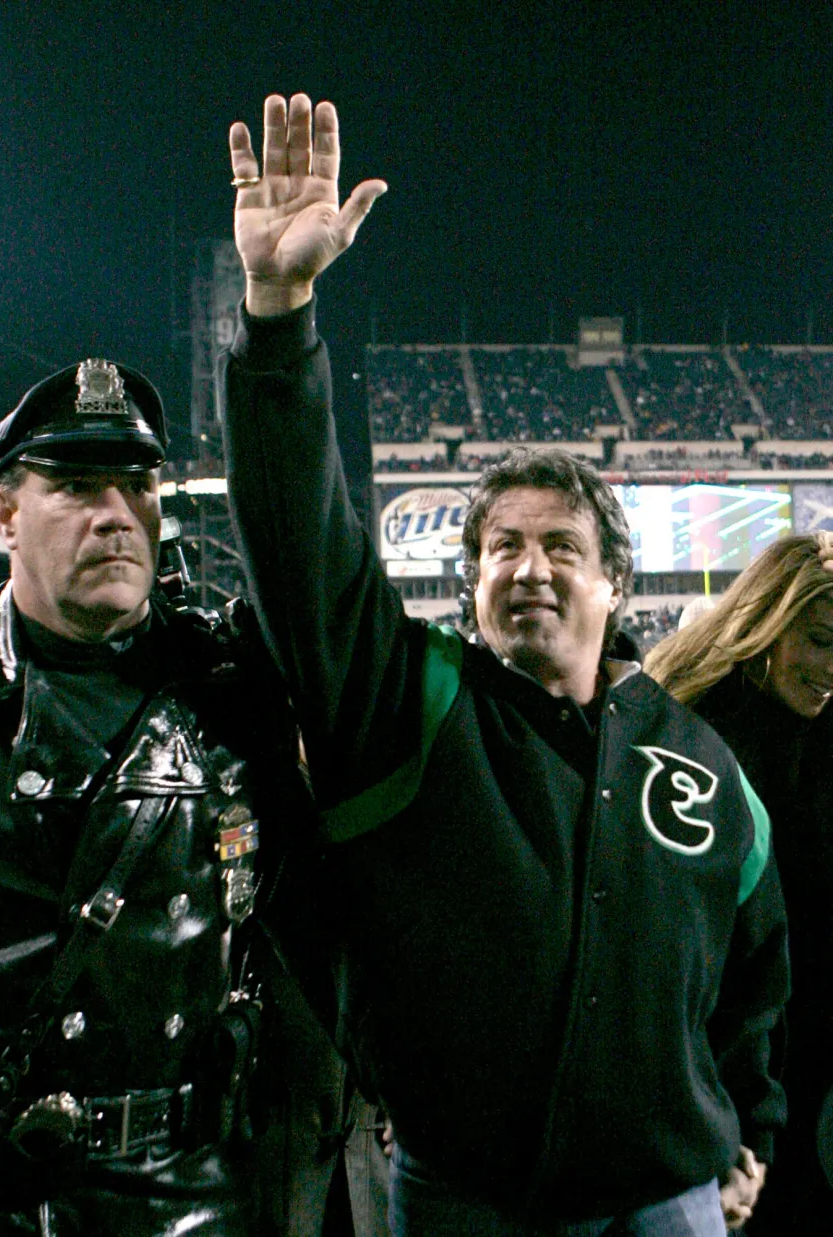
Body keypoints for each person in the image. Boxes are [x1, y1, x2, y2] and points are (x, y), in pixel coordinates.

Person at [219, 93, 789, 1236]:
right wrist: (279, 317)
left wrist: (753, 1129)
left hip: (671, 1198)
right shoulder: (413, 701)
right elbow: (301, 554)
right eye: (501, 548)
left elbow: (753, 980)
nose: (530, 568)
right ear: (469, 582)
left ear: (615, 584)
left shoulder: (704, 766)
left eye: (561, 548)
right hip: (464, 1200)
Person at [0, 357, 310, 1235]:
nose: (116, 514)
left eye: (138, 485)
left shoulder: (235, 687)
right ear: (4, 513)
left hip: (192, 1195)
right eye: (74, 486)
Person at [645, 533, 833, 1233]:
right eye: (818, 641)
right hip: (724, 1062)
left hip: (804, 1052)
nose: (830, 668)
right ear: (768, 620)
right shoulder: (692, 738)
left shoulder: (815, 726)